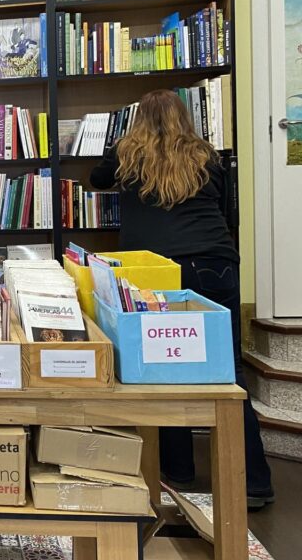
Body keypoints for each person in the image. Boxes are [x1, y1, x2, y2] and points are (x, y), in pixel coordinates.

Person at [90, 89, 274, 509]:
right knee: (229, 372)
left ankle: (179, 470)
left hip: (156, 272)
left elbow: (97, 180)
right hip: (214, 263)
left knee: (162, 367)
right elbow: (224, 208)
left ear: (138, 119)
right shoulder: (205, 156)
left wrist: (115, 144)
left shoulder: (126, 154)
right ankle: (255, 482)